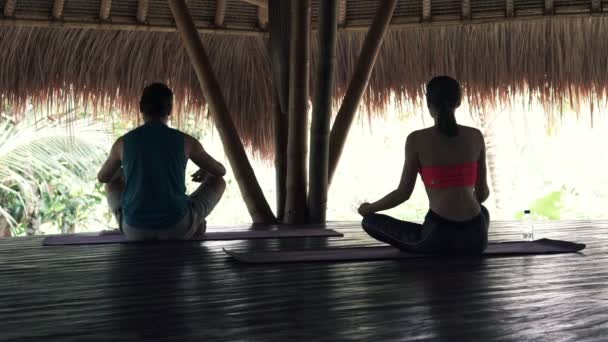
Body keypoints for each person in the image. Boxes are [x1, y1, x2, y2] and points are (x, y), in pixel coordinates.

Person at [357, 76, 490, 255]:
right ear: (458, 101)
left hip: (438, 236)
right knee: (483, 211)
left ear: (428, 103)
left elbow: (403, 194)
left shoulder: (416, 140)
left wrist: (368, 208)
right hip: (476, 237)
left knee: (369, 222)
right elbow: (482, 194)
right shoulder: (475, 136)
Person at [97, 83, 227, 240]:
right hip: (177, 228)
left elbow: (103, 177)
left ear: (140, 107)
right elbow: (220, 171)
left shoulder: (123, 143)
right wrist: (207, 169)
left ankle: (188, 223)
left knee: (112, 182)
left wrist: (125, 172)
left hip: (134, 231)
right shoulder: (186, 141)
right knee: (218, 181)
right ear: (170, 109)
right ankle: (193, 223)